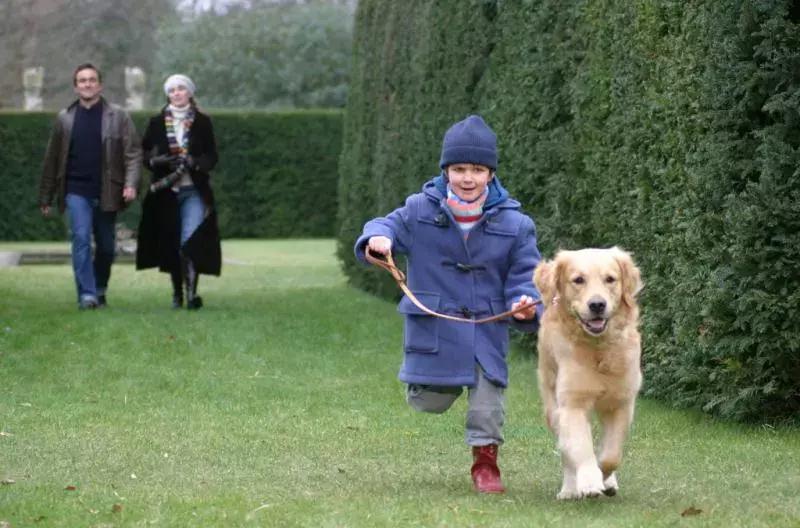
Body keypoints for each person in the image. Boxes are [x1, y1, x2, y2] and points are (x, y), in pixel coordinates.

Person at [354, 115, 543, 494]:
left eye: (477, 169)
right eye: (459, 169)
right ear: (446, 170)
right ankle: (441, 381)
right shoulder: (419, 209)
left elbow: (527, 276)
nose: (468, 178)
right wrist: (379, 239)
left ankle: (486, 464)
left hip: (486, 329)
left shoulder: (516, 224)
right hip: (435, 327)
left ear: (491, 173)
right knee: (429, 401)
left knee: (487, 399)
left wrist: (526, 304)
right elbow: (382, 224)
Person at [39, 63, 141, 310]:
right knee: (81, 238)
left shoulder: (118, 116)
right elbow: (52, 159)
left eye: (92, 80)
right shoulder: (64, 118)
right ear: (76, 87)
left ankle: (100, 288)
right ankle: (86, 295)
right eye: (82, 80)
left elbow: (133, 154)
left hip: (107, 191)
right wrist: (46, 196)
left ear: (100, 84)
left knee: (106, 247)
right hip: (75, 191)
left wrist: (130, 184)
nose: (87, 84)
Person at [135, 74, 221, 309]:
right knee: (172, 244)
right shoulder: (156, 122)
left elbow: (212, 157)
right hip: (166, 191)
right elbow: (143, 154)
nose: (176, 93)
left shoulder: (203, 122)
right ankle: (177, 294)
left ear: (190, 93)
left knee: (189, 242)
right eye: (172, 90)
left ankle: (191, 294)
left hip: (193, 190)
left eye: (181, 89)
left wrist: (196, 162)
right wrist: (156, 162)